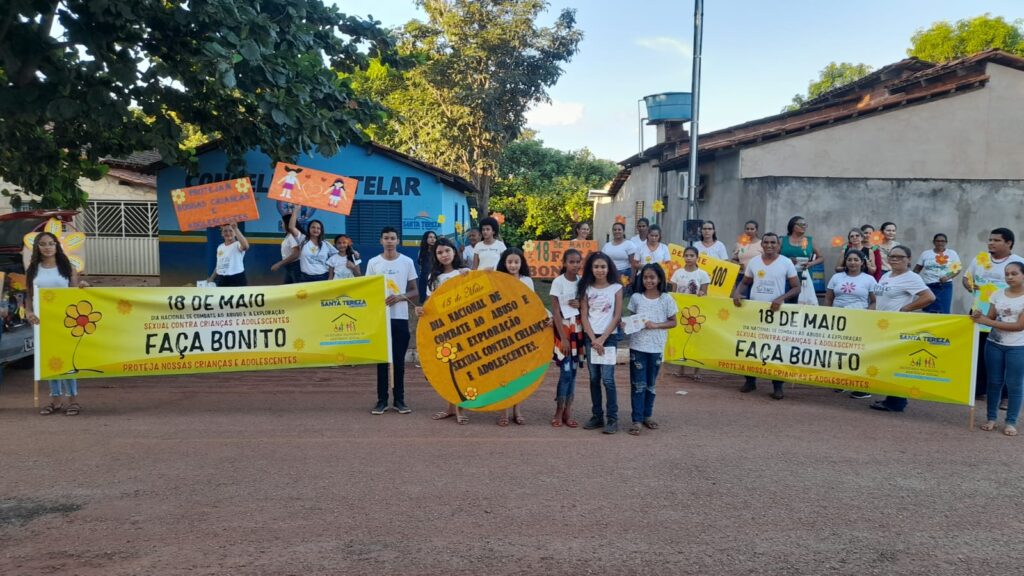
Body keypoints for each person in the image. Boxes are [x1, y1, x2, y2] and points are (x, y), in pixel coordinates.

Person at [26, 232, 89, 416]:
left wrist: (83, 287)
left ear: (56, 246)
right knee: (50, 360)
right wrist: (29, 312)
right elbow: (29, 296)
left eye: (51, 243)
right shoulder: (32, 270)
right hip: (42, 322)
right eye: (43, 244)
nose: (47, 247)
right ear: (37, 247)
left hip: (65, 320)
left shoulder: (67, 267)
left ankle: (73, 400)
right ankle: (55, 400)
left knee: (67, 360)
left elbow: (74, 293)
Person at [731, 233, 800, 399]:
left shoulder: (786, 262)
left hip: (776, 313)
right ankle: (750, 381)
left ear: (778, 245)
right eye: (766, 242)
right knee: (751, 347)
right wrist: (737, 293)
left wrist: (781, 298)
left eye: (773, 243)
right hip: (755, 312)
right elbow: (745, 282)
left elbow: (796, 287)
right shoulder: (754, 262)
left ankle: (777, 386)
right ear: (762, 245)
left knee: (776, 350)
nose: (769, 245)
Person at [869, 245, 936, 413]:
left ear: (909, 260)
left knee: (895, 363)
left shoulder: (911, 278)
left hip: (897, 326)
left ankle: (897, 402)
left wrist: (906, 309)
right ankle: (891, 397)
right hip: (882, 325)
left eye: (899, 257)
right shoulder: (886, 275)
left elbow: (929, 297)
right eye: (892, 256)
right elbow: (880, 299)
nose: (895, 259)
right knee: (887, 362)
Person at [964, 228, 1024, 405]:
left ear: (1008, 243)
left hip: (1007, 318)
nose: (991, 243)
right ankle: (980, 391)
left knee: (1008, 358)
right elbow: (967, 278)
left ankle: (1006, 397)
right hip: (980, 314)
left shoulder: (1018, 262)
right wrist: (968, 284)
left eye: (996, 240)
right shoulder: (979, 259)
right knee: (981, 354)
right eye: (990, 240)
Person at [419, 238, 471, 425]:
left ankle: (459, 409)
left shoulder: (464, 272)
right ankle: (450, 407)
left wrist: (469, 276)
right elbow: (429, 303)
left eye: (447, 251)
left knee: (461, 369)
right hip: (443, 328)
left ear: (454, 252)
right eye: (439, 252)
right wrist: (421, 310)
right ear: (435, 256)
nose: (444, 255)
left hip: (463, 327)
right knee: (447, 368)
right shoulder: (434, 278)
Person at [366, 227, 418, 415]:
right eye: (386, 238)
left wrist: (399, 297)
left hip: (400, 318)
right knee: (382, 361)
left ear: (398, 241)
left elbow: (414, 291)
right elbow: (368, 289)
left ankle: (399, 400)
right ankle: (381, 401)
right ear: (381, 241)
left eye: (392, 238)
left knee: (398, 361)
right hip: (381, 318)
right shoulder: (373, 263)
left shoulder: (407, 262)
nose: (389, 241)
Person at [623, 264, 678, 435]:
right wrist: (626, 324)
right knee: (638, 384)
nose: (648, 280)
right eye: (645, 277)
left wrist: (656, 325)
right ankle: (637, 419)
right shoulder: (636, 298)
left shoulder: (666, 299)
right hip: (637, 346)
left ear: (660, 278)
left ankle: (647, 415)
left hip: (656, 347)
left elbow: (673, 322)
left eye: (652, 277)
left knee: (650, 385)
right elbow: (631, 319)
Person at [971, 261, 1024, 437]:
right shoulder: (997, 293)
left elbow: (1019, 326)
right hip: (993, 344)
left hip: (1018, 347)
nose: (1009, 277)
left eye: (1014, 273)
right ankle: (991, 419)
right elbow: (991, 317)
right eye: (1007, 274)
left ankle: (1011, 422)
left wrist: (987, 321)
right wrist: (980, 316)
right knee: (993, 382)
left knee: (1015, 384)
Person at [496, 247, 544, 426]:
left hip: (522, 331)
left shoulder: (527, 281)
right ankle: (503, 409)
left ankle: (517, 409)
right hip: (502, 330)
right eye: (509, 262)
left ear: (521, 263)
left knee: (520, 372)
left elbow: (532, 304)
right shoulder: (498, 279)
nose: (513, 265)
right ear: (504, 263)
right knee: (504, 372)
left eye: (516, 262)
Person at [578, 252, 623, 434]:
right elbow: (584, 315)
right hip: (591, 337)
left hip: (608, 338)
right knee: (594, 378)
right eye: (596, 266)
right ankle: (597, 416)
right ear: (591, 268)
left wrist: (602, 339)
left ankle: (612, 418)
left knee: (608, 379)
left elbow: (617, 315)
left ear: (608, 268)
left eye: (603, 266)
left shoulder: (616, 288)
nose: (600, 270)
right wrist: (593, 339)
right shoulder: (586, 288)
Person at [825, 249, 878, 399]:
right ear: (845, 262)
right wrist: (828, 314)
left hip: (859, 320)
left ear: (862, 262)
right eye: (849, 260)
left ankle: (860, 384)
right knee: (839, 349)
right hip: (838, 320)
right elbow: (828, 298)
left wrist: (866, 315)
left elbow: (875, 301)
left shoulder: (869, 279)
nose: (852, 263)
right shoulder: (836, 277)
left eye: (856, 260)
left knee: (858, 351)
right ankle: (841, 380)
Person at [550, 249, 584, 429]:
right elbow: (555, 311)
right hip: (563, 331)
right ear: (564, 263)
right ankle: (558, 410)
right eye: (571, 262)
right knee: (566, 372)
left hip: (577, 331)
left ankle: (568, 411)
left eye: (578, 261)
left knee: (573, 373)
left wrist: (580, 303)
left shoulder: (582, 282)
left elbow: (586, 305)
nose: (575, 265)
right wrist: (563, 338)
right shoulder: (558, 282)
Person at [670, 246, 710, 380]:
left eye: (692, 255)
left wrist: (701, 294)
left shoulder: (702, 274)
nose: (689, 258)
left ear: (697, 257)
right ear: (683, 257)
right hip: (680, 311)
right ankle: (681, 368)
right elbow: (673, 294)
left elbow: (705, 294)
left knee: (695, 340)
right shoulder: (677, 273)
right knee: (681, 338)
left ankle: (696, 370)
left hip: (696, 313)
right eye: (686, 255)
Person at [271, 210, 338, 282]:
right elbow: (291, 227)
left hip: (323, 277)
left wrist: (331, 275)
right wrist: (296, 210)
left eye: (318, 228)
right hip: (306, 278)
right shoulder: (303, 239)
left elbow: (338, 256)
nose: (315, 230)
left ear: (321, 230)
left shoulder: (326, 244)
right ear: (308, 229)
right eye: (313, 227)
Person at [914, 233, 961, 314]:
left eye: (942, 241)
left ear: (946, 242)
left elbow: (957, 269)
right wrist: (916, 283)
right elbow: (916, 270)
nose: (940, 243)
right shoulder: (926, 254)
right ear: (934, 242)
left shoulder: (952, 253)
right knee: (928, 311)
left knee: (944, 311)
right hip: (928, 286)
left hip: (945, 286)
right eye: (938, 241)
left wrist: (947, 277)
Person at [781, 215, 823, 303]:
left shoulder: (810, 240)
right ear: (793, 226)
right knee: (785, 303)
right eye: (801, 224)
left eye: (805, 225)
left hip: (804, 277)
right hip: (784, 277)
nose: (804, 227)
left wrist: (811, 263)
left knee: (802, 303)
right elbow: (774, 256)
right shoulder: (782, 240)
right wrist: (787, 261)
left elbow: (821, 257)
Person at [206, 221, 249, 287]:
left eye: (231, 231)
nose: (228, 233)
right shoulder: (220, 247)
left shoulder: (238, 244)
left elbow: (245, 246)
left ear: (235, 233)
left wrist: (235, 228)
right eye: (225, 231)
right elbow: (219, 265)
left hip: (237, 278)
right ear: (222, 234)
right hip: (222, 279)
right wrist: (212, 278)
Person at [601, 221, 638, 287]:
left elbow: (633, 263)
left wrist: (632, 277)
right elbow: (602, 261)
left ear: (623, 231)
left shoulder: (629, 244)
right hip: (609, 274)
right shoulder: (607, 245)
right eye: (615, 230)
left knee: (623, 293)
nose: (617, 231)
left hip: (624, 274)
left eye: (619, 229)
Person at [279, 213, 301, 284]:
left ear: (287, 224)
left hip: (294, 266)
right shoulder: (288, 236)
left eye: (282, 223)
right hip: (289, 267)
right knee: (287, 286)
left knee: (297, 288)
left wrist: (279, 264)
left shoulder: (292, 236)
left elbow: (296, 254)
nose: (281, 225)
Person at [416, 231, 437, 302]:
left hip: (434, 279)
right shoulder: (421, 252)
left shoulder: (437, 252)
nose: (433, 239)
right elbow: (420, 265)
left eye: (434, 237)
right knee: (424, 302)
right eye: (430, 237)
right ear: (426, 239)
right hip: (423, 279)